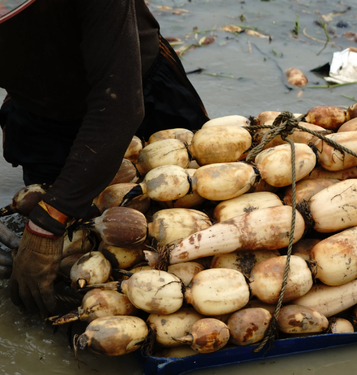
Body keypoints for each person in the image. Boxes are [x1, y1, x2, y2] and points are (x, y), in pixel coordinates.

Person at [0, 0, 209, 317]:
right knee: (74, 254)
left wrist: (46, 224)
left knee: (181, 230)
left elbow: (117, 109)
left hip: (135, 92)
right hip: (40, 111)